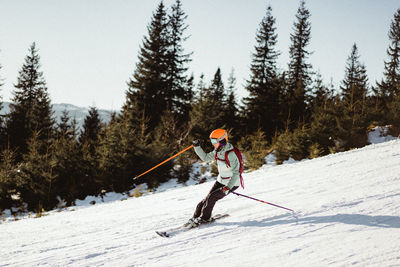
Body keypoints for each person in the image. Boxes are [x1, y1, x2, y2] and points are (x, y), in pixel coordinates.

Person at [187, 129, 241, 227]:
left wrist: (227, 188)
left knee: (211, 198)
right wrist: (197, 147)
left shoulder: (230, 154)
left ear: (222, 141)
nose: (213, 144)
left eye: (214, 142)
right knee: (203, 202)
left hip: (232, 183)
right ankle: (195, 218)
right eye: (211, 141)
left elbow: (236, 173)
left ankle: (205, 219)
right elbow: (206, 157)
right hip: (221, 180)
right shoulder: (217, 151)